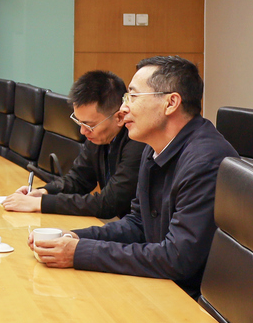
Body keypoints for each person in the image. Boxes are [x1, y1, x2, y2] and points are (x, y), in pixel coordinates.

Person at [30, 56, 238, 296]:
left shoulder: (205, 162)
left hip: (190, 299)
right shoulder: (153, 148)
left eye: (133, 96)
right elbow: (138, 224)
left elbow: (176, 259)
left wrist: (80, 252)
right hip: (161, 286)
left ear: (171, 103)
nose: (123, 108)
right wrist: (74, 237)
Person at [1, 70, 144, 219]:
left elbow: (108, 204)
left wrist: (40, 204)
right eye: (79, 122)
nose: (83, 131)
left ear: (119, 117)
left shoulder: (138, 142)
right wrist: (44, 192)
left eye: (89, 125)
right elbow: (79, 179)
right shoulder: (98, 136)